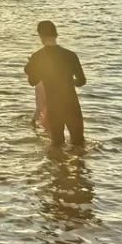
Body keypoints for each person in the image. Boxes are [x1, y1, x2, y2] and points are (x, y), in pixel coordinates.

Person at [24, 20, 86, 149]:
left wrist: (29, 70)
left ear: (40, 35)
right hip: (71, 103)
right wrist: (69, 82)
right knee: (79, 143)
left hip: (54, 105)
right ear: (56, 34)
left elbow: (32, 82)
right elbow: (82, 81)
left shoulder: (37, 57)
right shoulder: (70, 55)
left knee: (57, 144)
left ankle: (57, 161)